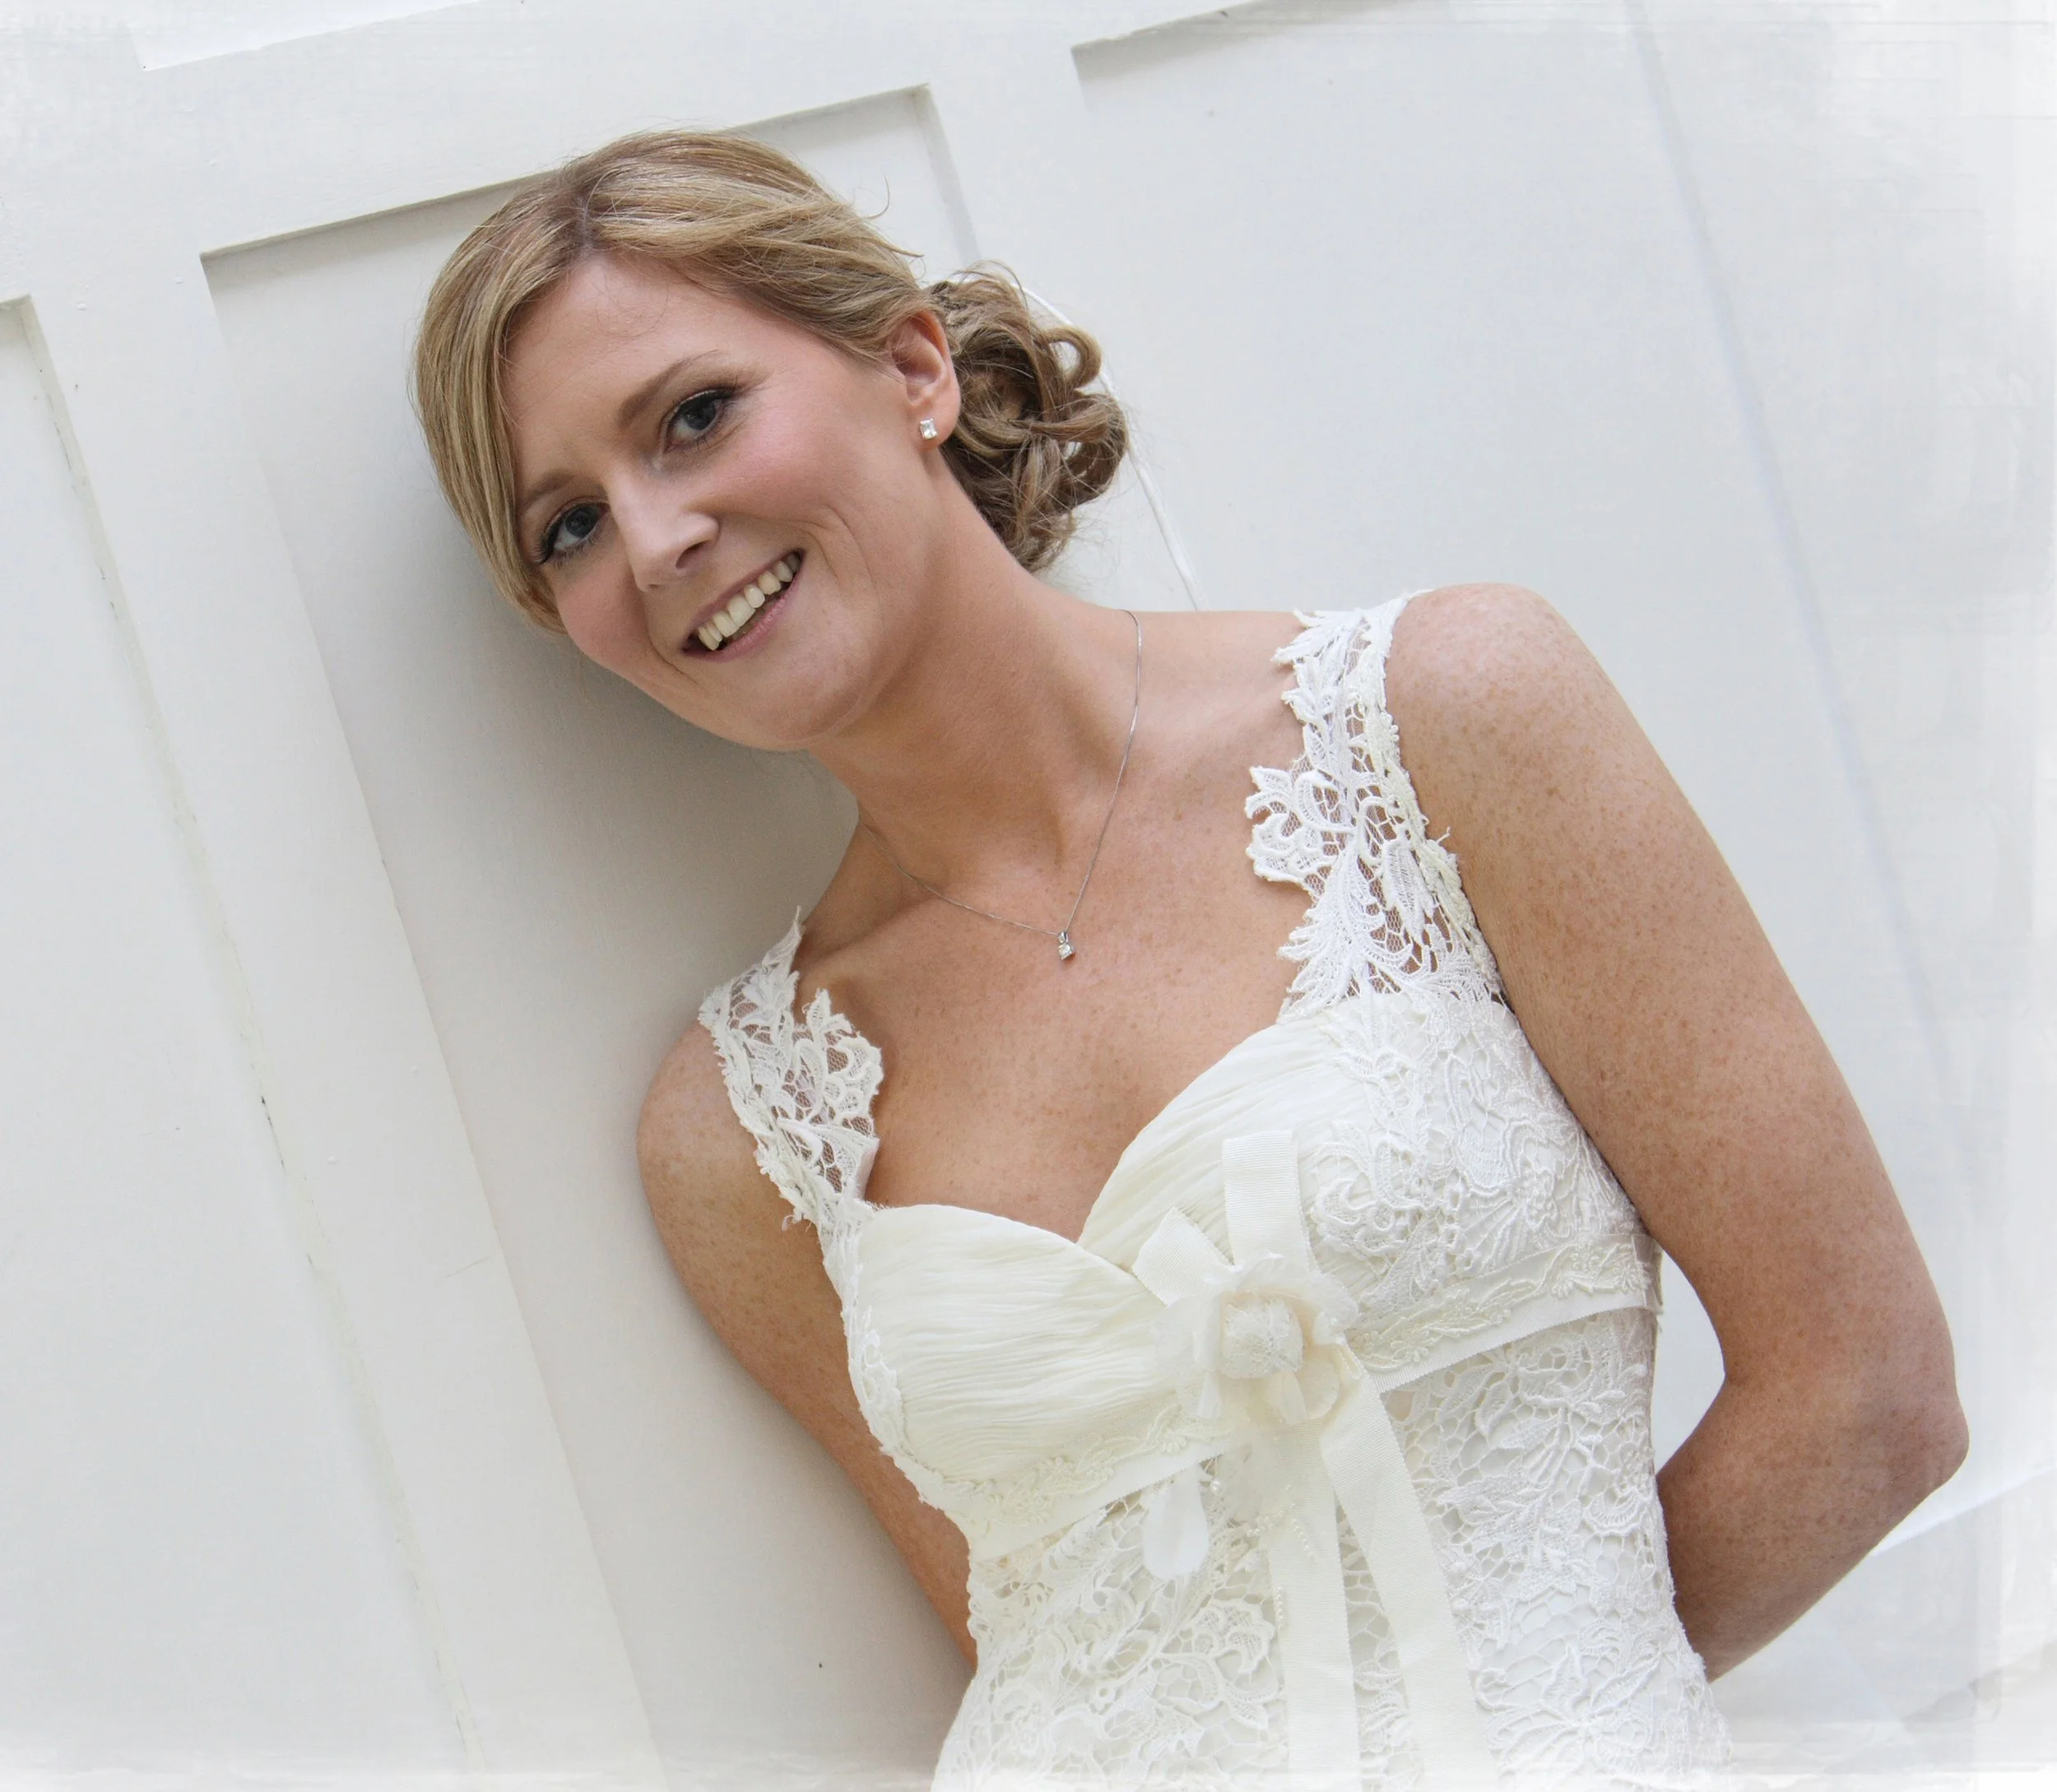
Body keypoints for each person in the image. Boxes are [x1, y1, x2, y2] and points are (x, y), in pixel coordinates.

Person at [411, 128, 1967, 1789]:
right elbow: (1035, 1646)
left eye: (695, 416)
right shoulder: (741, 1128)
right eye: (567, 525)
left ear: (912, 368)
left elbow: (1864, 1397)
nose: (653, 540)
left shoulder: (1440, 722)